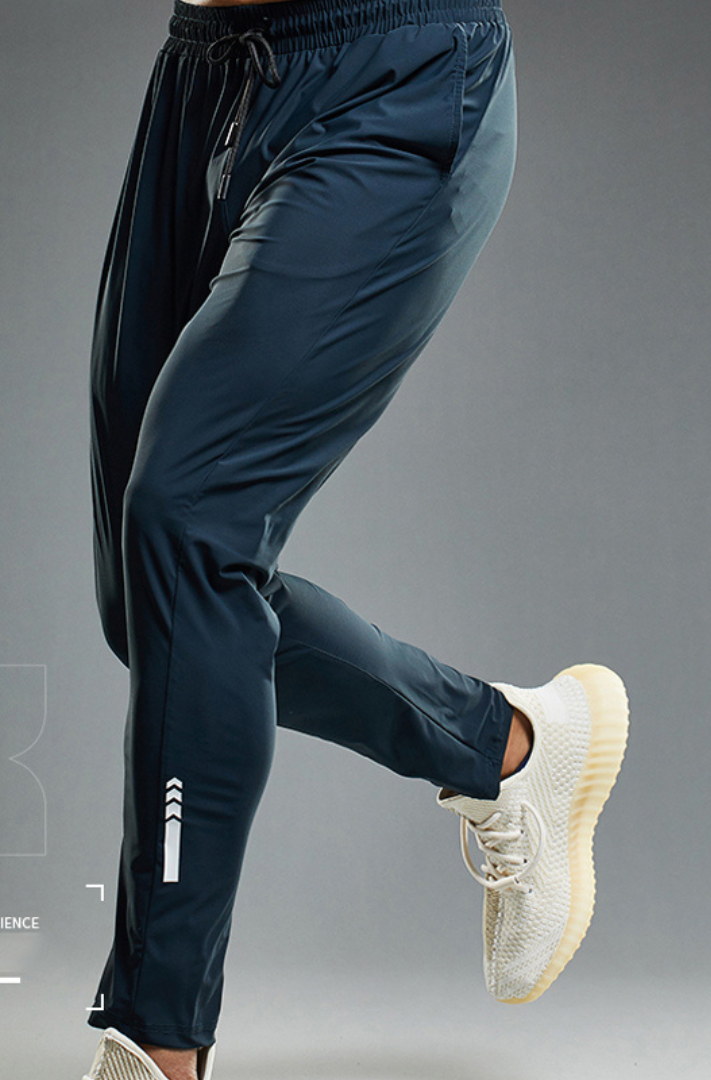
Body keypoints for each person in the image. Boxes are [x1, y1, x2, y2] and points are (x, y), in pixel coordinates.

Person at [79, 2, 629, 1079]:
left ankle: (156, 1045)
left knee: (187, 531)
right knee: (150, 604)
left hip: (393, 72)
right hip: (201, 82)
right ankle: (507, 745)